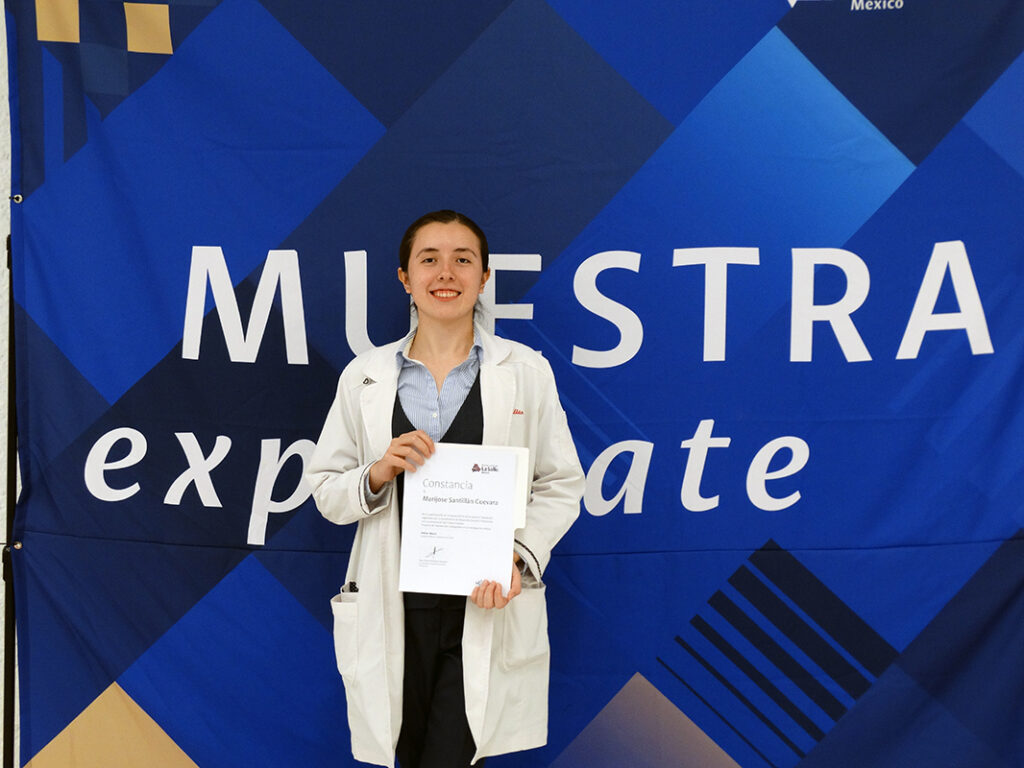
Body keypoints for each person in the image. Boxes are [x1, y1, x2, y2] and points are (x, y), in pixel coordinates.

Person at [306, 210, 584, 768]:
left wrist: (516, 557)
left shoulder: (525, 371)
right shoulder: (364, 377)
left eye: (463, 260)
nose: (446, 273)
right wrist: (378, 471)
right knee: (406, 754)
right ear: (405, 278)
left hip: (482, 600)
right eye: (429, 259)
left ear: (484, 278)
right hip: (393, 605)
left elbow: (560, 484)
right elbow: (327, 491)